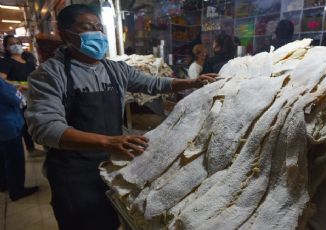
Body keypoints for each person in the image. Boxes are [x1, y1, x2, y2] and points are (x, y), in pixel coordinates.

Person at [25, 4, 216, 230]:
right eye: (87, 28)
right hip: (72, 173)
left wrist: (191, 82)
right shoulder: (49, 74)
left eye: (99, 27)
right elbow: (45, 128)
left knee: (110, 219)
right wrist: (108, 141)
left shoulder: (115, 70)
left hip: (111, 163)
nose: (97, 33)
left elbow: (152, 84)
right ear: (65, 34)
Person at [0, 35, 40, 155]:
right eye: (12, 43)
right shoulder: (6, 62)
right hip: (18, 96)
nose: (16, 45)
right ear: (6, 47)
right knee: (24, 123)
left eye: (17, 42)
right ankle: (31, 149)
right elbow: (1, 79)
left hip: (33, 94)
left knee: (37, 120)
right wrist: (17, 85)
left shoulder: (29, 61)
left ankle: (45, 145)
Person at [0, 78, 39, 201]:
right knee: (14, 159)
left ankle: (3, 184)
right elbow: (17, 99)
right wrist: (19, 92)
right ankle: (17, 190)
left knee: (2, 157)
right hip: (8, 124)